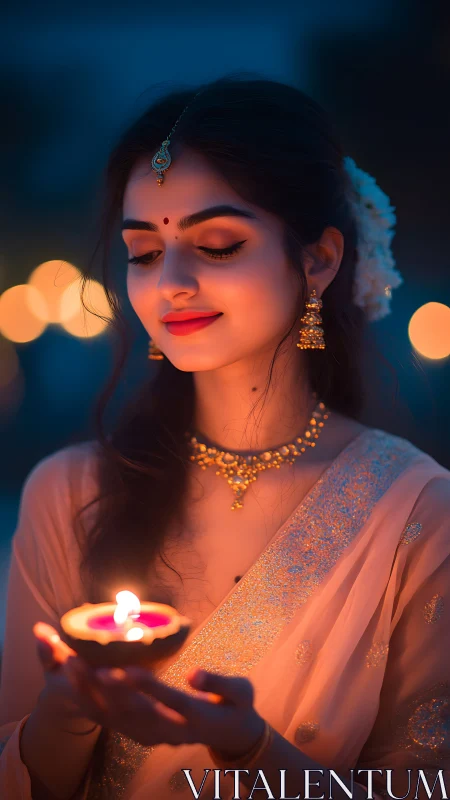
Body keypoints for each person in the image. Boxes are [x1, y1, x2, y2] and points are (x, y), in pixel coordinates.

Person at [0, 73, 449, 800]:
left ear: (318, 259)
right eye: (143, 252)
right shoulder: (68, 492)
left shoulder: (416, 509)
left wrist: (251, 748)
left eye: (216, 245)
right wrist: (69, 713)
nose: (169, 281)